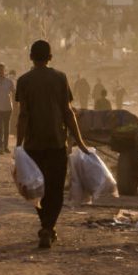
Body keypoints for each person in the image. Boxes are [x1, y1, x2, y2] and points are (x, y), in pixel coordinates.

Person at [16, 40, 90, 249]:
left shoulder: (24, 81)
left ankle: (46, 225)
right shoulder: (60, 78)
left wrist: (19, 145)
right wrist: (80, 141)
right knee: (55, 188)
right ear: (50, 57)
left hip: (33, 145)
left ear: (31, 57)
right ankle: (48, 227)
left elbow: (23, 116)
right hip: (56, 142)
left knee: (38, 187)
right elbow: (67, 112)